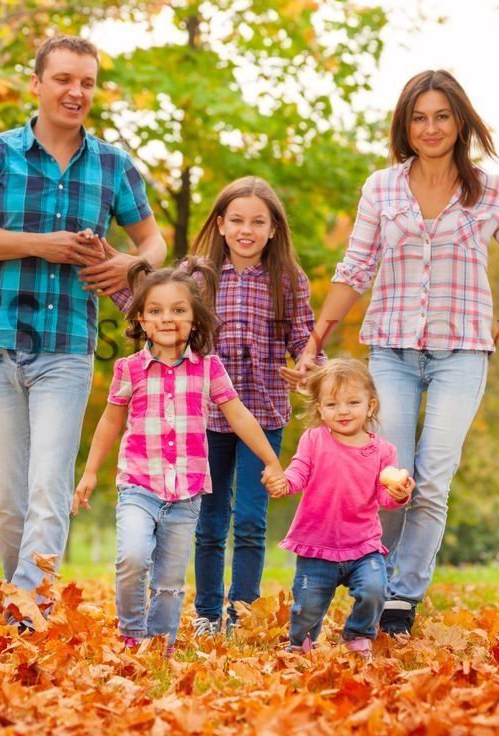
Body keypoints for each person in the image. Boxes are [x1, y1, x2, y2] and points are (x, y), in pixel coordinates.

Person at [289, 69, 499, 636]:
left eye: (442, 115)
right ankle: (374, 580)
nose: (431, 127)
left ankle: (400, 600)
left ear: (459, 121)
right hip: (390, 350)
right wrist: (314, 343)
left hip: (461, 354)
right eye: (419, 117)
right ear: (405, 125)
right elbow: (355, 270)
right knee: (390, 473)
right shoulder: (381, 188)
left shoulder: (488, 192)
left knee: (432, 480)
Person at [0, 34, 166, 613]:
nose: (76, 92)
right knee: (5, 497)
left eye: (87, 83)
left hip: (68, 346)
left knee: (49, 486)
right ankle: (27, 591)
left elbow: (154, 242)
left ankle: (29, 604)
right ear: (38, 84)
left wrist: (130, 262)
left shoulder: (114, 165)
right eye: (65, 79)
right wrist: (39, 245)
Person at [104, 177, 320, 635]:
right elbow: (154, 304)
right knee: (210, 519)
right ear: (220, 224)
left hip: (261, 413)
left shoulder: (289, 279)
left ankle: (242, 614)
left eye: (258, 222)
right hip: (202, 418)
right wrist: (109, 268)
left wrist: (307, 365)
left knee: (249, 520)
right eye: (237, 220)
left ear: (273, 229)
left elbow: (303, 337)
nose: (247, 230)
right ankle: (206, 615)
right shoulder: (197, 275)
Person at [70, 259, 284, 651]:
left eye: (178, 310)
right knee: (132, 558)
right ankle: (132, 634)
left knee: (169, 583)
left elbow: (238, 416)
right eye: (156, 310)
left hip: (186, 494)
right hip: (138, 485)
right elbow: (109, 422)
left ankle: (160, 644)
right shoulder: (129, 369)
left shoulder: (209, 369)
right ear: (141, 320)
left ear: (196, 320)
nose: (167, 319)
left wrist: (271, 460)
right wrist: (89, 473)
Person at [262, 359, 414, 653]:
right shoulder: (314, 439)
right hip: (317, 543)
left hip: (363, 544)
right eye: (332, 404)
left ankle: (357, 635)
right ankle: (301, 645)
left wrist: (398, 494)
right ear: (319, 408)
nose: (343, 411)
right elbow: (299, 471)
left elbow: (383, 496)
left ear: (370, 406)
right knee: (307, 604)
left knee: (375, 589)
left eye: (353, 402)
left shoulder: (383, 450)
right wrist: (283, 483)